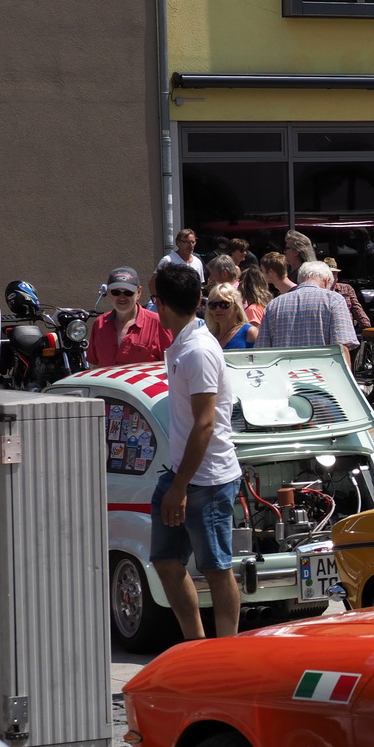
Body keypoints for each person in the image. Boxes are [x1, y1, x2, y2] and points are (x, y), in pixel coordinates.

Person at [148, 262, 242, 641]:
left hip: (209, 479)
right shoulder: (184, 344)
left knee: (217, 567)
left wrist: (180, 486)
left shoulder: (199, 350)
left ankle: (226, 651)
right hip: (183, 475)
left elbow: (205, 424)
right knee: (166, 561)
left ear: (161, 304)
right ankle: (195, 645)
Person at [259, 259, 359, 368]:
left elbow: (262, 350)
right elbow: (341, 347)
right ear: (327, 280)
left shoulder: (274, 305)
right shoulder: (334, 300)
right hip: (322, 376)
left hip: (284, 377)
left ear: (300, 279)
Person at [87, 266, 172, 366]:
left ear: (139, 293)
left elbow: (171, 367)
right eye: (116, 292)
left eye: (128, 292)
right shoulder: (99, 323)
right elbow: (96, 365)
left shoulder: (158, 323)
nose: (122, 297)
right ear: (109, 292)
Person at [204, 283, 257, 349]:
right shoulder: (209, 336)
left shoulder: (249, 332)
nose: (217, 309)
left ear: (236, 306)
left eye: (224, 304)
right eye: (213, 305)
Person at [323, 258, 370, 330]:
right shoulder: (319, 292)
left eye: (334, 274)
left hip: (347, 329)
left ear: (337, 276)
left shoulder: (347, 288)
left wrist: (366, 326)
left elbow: (357, 308)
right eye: (328, 274)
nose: (331, 277)